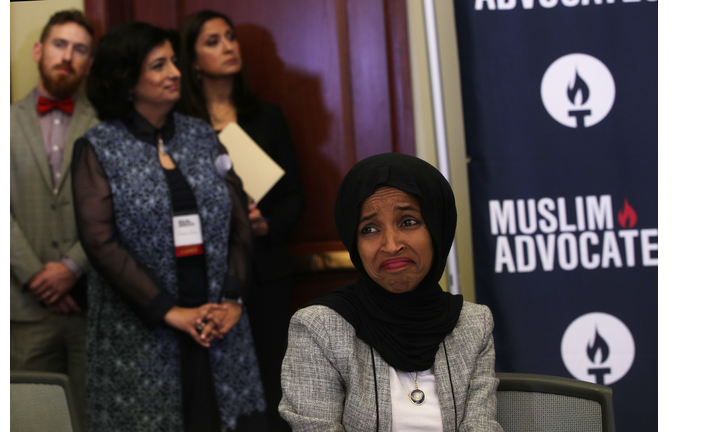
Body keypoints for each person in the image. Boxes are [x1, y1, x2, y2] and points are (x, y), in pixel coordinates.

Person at [72, 21, 266, 432]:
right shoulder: (98, 147)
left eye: (175, 62)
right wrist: (168, 310)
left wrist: (233, 299)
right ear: (127, 79)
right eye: (159, 65)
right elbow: (99, 241)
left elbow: (238, 220)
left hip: (218, 323)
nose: (175, 73)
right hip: (144, 331)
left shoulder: (200, 135)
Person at [279, 153, 503, 431]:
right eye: (369, 229)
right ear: (354, 242)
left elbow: (481, 426)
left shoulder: (473, 325)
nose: (391, 245)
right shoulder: (320, 329)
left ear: (437, 228)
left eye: (408, 222)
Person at [179, 10, 305, 431]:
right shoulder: (181, 125)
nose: (228, 46)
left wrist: (266, 223)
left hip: (265, 271)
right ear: (193, 60)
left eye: (230, 37)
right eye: (212, 41)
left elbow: (294, 196)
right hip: (204, 276)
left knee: (272, 389)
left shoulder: (266, 116)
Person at [10, 9, 97, 431]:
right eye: (60, 44)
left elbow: (112, 210)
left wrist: (71, 268)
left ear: (90, 63)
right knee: (29, 419)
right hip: (24, 310)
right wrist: (36, 276)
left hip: (91, 305)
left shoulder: (105, 126)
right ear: (38, 50)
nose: (69, 56)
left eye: (80, 49)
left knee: (92, 417)